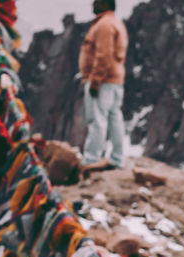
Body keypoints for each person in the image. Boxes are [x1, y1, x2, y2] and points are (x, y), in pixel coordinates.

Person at [79, 0, 128, 170]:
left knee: (97, 120)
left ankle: (91, 159)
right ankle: (117, 158)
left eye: (97, 2)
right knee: (115, 118)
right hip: (115, 80)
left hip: (104, 80)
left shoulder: (104, 25)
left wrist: (95, 80)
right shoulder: (117, 24)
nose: (92, 4)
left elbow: (104, 54)